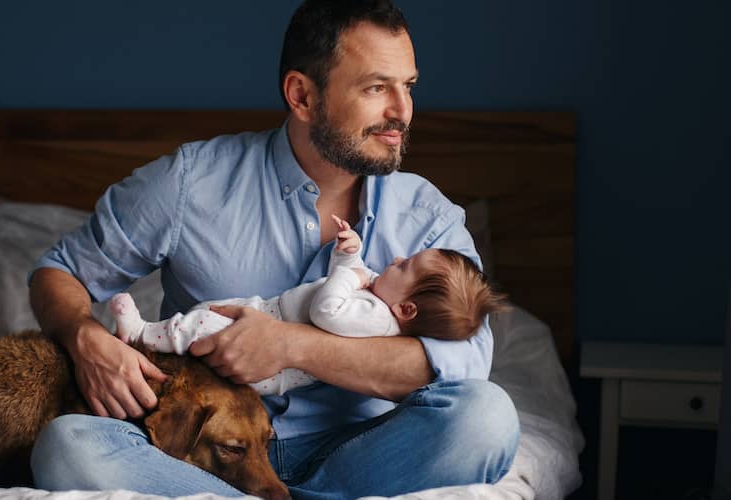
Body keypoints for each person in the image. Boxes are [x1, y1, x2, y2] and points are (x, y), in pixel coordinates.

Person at [27, 0, 520, 497]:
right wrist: (84, 337)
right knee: (68, 446)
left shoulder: (428, 217)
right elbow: (60, 271)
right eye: (376, 88)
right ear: (301, 95)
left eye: (408, 86)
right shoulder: (190, 182)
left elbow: (465, 363)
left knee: (487, 417)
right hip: (204, 453)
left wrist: (290, 345)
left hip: (360, 451)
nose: (402, 112)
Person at [108, 214, 507, 396]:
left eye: (407, 267)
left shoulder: (374, 318)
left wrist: (351, 275)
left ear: (406, 311)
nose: (397, 259)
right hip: (265, 312)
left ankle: (142, 334)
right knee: (207, 314)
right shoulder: (380, 304)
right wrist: (349, 257)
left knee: (199, 329)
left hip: (272, 365)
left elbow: (326, 311)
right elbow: (338, 291)